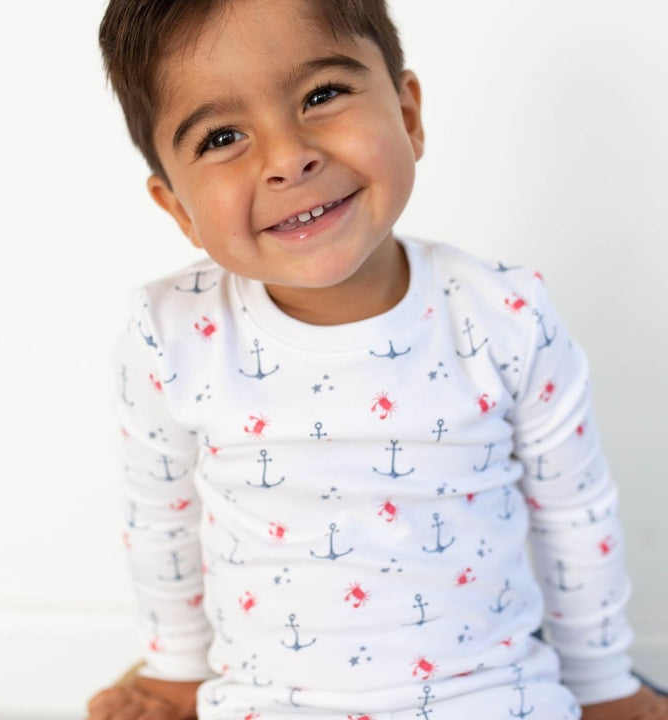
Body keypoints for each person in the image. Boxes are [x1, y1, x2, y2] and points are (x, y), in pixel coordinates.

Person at [89, 1, 667, 718]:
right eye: (223, 137)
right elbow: (161, 516)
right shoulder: (171, 336)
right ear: (177, 207)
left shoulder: (505, 318)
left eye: (321, 96)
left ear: (408, 113)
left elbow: (574, 515)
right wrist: (174, 667)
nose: (288, 157)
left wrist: (602, 681)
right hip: (266, 701)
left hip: (491, 693)